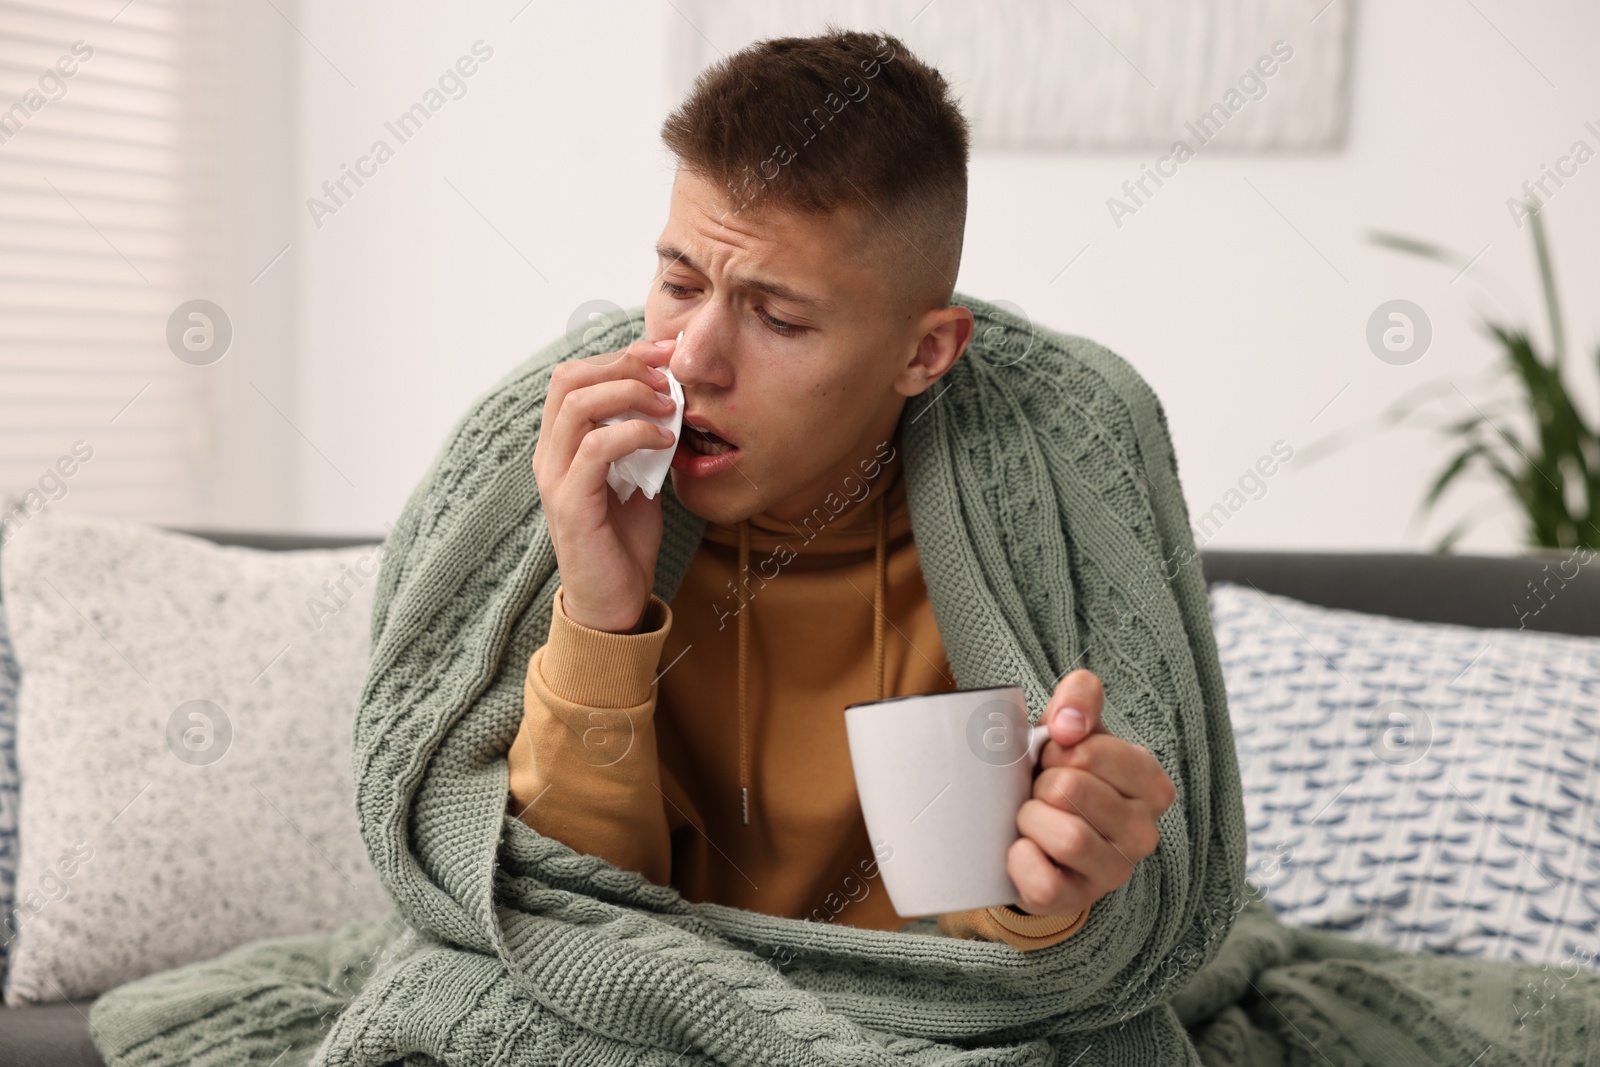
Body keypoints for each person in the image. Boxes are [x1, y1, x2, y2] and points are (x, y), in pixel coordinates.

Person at [507, 27, 1176, 952]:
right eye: (677, 281)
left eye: (778, 318)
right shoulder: (563, 457)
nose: (693, 358)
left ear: (924, 351)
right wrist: (599, 620)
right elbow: (551, 917)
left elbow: (1066, 933)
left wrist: (1050, 889)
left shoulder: (1059, 483)